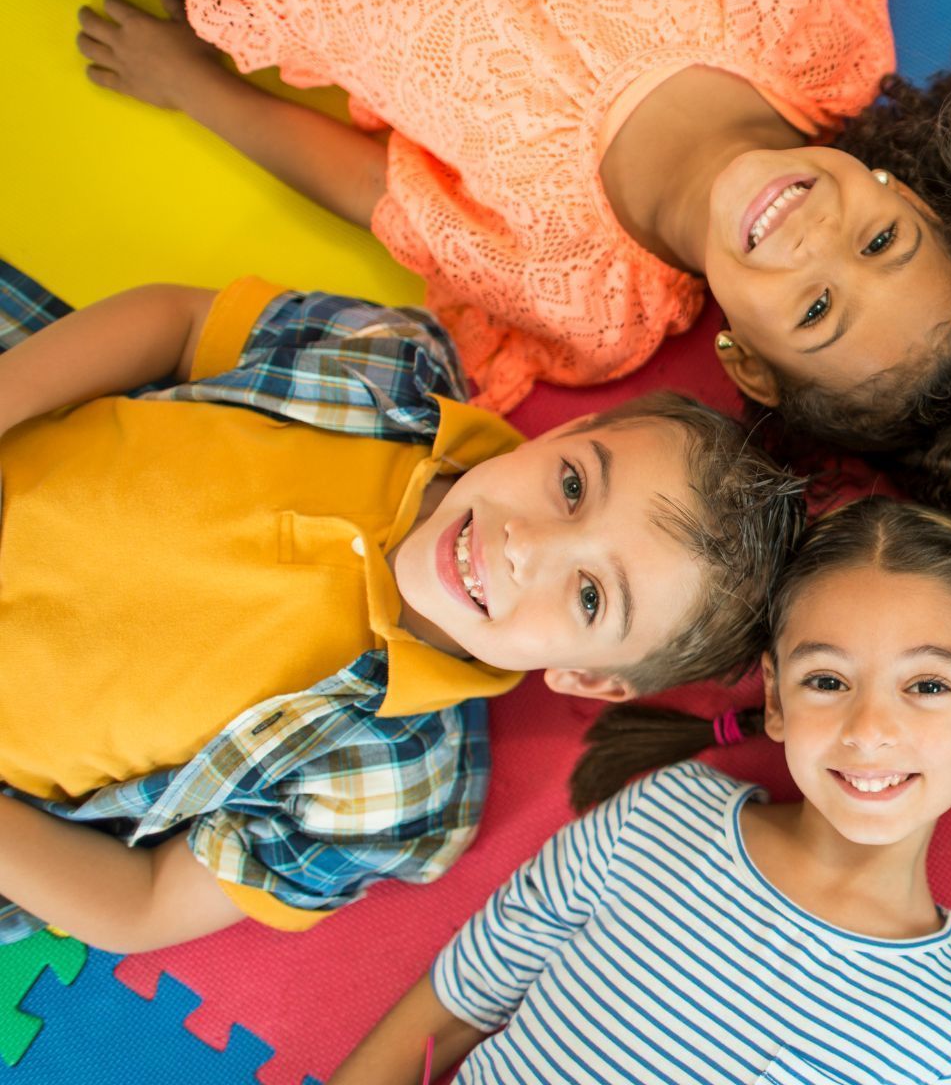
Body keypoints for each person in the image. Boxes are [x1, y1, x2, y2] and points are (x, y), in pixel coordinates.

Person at [0, 0, 951, 457]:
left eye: (819, 309)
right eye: (881, 242)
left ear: (749, 360)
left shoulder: (588, 298)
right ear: (899, 192)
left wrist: (197, 91)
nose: (814, 242)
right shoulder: (811, 46)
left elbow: (377, 190)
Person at [0, 262, 804, 952]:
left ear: (591, 678)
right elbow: (181, 322)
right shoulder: (392, 367)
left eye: (591, 596)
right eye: (572, 486)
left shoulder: (393, 786)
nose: (528, 545)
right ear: (576, 429)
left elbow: (142, 905)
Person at [331, 497, 951, 1084]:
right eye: (826, 681)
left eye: (927, 685)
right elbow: (461, 994)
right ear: (775, 697)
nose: (870, 729)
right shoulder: (664, 814)